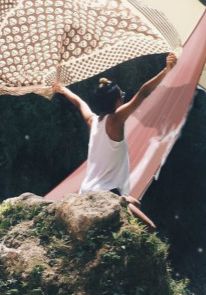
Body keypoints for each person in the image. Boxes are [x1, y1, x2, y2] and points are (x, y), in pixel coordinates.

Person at [53, 52, 177, 227]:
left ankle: (124, 200)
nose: (124, 98)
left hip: (88, 190)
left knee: (136, 203)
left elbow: (79, 102)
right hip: (105, 193)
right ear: (117, 101)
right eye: (122, 95)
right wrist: (166, 70)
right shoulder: (116, 119)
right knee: (150, 228)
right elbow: (142, 93)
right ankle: (122, 201)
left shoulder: (92, 121)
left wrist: (62, 89)